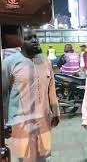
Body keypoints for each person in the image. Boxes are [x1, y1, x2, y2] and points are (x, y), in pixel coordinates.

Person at [2, 27, 60, 161]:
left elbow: (51, 88)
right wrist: (4, 123)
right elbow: (4, 96)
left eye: (35, 37)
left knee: (44, 158)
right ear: (20, 41)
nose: (34, 40)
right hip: (20, 124)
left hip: (44, 121)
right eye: (29, 38)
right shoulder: (9, 63)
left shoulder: (45, 61)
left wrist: (55, 112)